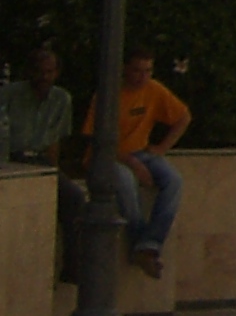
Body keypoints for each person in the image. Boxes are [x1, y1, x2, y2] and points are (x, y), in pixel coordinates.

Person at [78, 47, 188, 278]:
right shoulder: (109, 95)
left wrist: (162, 148)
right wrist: (132, 163)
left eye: (148, 71)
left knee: (174, 180)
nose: (142, 77)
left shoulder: (154, 90)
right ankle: (140, 243)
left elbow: (183, 117)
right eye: (137, 71)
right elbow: (94, 138)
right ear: (126, 70)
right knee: (126, 180)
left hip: (141, 152)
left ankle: (150, 243)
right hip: (109, 156)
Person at [6, 49, 79, 275]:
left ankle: (72, 268)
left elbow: (55, 140)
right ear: (29, 72)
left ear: (56, 73)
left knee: (74, 197)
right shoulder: (10, 94)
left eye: (49, 72)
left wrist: (52, 171)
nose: (44, 77)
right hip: (12, 158)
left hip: (41, 160)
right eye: (39, 72)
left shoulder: (61, 99)